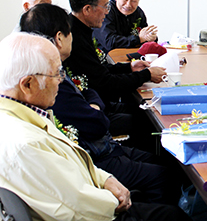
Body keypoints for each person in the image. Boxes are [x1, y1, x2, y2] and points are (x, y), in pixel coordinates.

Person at [0, 32, 188, 221]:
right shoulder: (26, 144)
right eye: (56, 73)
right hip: (96, 213)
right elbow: (78, 207)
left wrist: (105, 179)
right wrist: (115, 199)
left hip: (92, 191)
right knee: (172, 215)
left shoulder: (24, 115)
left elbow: (72, 163)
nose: (61, 80)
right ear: (28, 84)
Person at [63, 0, 166, 149]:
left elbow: (98, 70)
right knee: (149, 119)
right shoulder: (73, 38)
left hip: (99, 100)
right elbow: (105, 83)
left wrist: (129, 67)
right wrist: (146, 75)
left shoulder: (79, 28)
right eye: (105, 6)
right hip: (94, 110)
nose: (106, 11)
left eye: (134, 0)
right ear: (87, 9)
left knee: (146, 111)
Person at [93, 0, 158, 52]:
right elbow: (109, 42)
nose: (128, 5)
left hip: (129, 56)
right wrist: (139, 39)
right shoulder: (105, 11)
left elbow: (144, 35)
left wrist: (151, 37)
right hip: (105, 58)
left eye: (133, 1)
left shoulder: (138, 12)